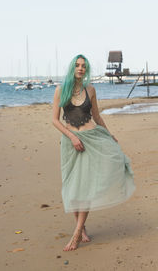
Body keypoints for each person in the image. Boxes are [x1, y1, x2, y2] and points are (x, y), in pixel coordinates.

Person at [52, 54, 136, 252]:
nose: (80, 68)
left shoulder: (91, 90)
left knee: (86, 187)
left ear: (86, 70)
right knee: (72, 187)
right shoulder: (60, 90)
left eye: (84, 66)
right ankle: (82, 228)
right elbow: (55, 120)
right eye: (77, 65)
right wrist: (72, 137)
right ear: (72, 68)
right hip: (71, 142)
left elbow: (96, 116)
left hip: (92, 140)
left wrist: (109, 135)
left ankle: (77, 233)